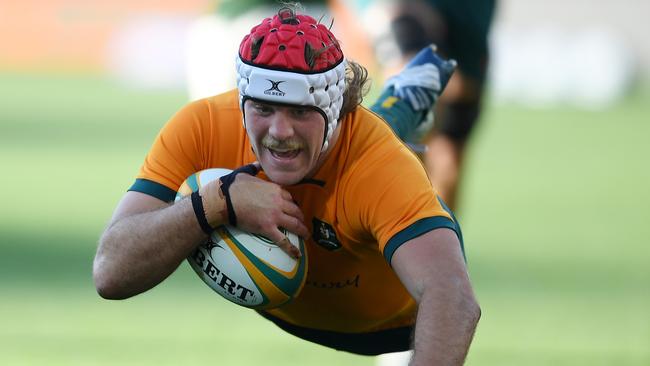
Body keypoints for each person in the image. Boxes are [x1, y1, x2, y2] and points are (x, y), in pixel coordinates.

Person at [93, 6, 480, 365]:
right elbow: (110, 272)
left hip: (387, 325)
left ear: (336, 108)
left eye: (299, 111)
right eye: (263, 108)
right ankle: (401, 101)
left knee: (376, 145)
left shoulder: (378, 164)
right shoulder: (203, 126)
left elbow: (454, 300)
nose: (279, 132)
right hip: (289, 301)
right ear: (242, 101)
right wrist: (215, 202)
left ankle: (401, 103)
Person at [383, 0, 496, 210]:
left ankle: (442, 233)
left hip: (469, 20)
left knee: (448, 157)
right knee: (410, 104)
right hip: (418, 9)